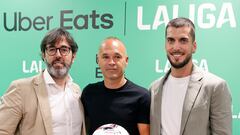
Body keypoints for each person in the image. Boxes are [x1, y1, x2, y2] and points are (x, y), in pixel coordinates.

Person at [149, 17, 232, 135]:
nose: (176, 47)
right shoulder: (153, 89)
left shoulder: (216, 86)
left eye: (183, 40)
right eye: (171, 40)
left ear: (194, 46)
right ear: (165, 45)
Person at [0, 28, 86, 135]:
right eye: (52, 49)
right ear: (44, 55)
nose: (58, 55)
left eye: (64, 50)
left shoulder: (76, 91)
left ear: (73, 56)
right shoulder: (21, 89)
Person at [81, 37, 150, 135]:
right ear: (98, 60)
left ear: (126, 60)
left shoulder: (142, 96)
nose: (111, 62)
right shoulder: (88, 93)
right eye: (105, 57)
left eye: (117, 57)